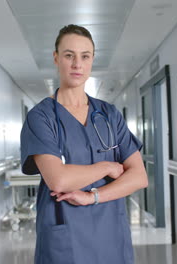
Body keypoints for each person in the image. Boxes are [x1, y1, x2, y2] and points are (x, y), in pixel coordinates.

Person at [20, 24, 148, 264]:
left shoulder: (108, 114)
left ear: (92, 60)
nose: (77, 64)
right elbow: (58, 179)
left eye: (85, 56)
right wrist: (107, 167)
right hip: (65, 236)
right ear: (56, 58)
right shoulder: (41, 117)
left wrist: (93, 196)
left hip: (112, 234)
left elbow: (139, 177)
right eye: (69, 55)